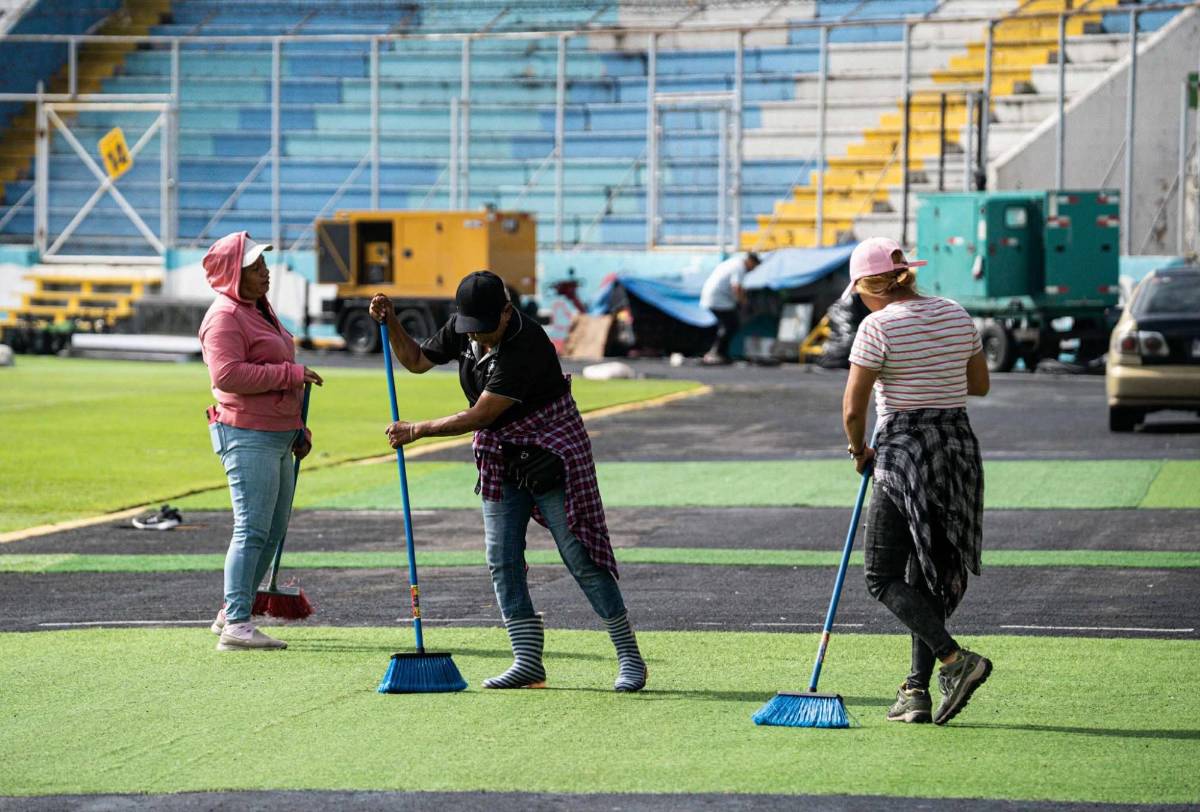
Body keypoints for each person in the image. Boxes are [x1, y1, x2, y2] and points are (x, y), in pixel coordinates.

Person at [369, 271, 647, 692]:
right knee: (502, 559)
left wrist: (418, 429)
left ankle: (629, 657)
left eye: (484, 328)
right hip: (502, 457)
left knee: (580, 556)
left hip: (549, 450)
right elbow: (415, 361)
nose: (476, 338)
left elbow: (481, 415)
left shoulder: (526, 343)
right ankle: (527, 661)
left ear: (506, 311)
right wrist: (391, 322)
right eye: (469, 329)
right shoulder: (467, 327)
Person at [841, 237, 992, 725]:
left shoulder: (876, 326)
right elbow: (979, 385)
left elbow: (852, 409)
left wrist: (859, 449)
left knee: (881, 576)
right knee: (925, 576)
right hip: (958, 448)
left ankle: (955, 660)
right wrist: (935, 368)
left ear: (868, 287)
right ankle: (916, 692)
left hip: (905, 448)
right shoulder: (954, 312)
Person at [199, 232, 323, 651]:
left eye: (263, 265)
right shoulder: (224, 317)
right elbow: (227, 375)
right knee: (251, 528)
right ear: (234, 274)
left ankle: (232, 612)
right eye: (254, 267)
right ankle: (236, 623)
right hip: (246, 433)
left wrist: (297, 428)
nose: (264, 272)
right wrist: (292, 375)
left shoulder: (258, 308)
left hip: (275, 434)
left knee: (271, 530)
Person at [700, 252, 760, 364]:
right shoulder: (739, 267)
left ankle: (720, 353)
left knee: (728, 325)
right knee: (731, 325)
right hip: (719, 299)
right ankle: (716, 353)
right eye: (754, 266)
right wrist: (744, 303)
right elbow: (736, 287)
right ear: (750, 261)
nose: (753, 270)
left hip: (714, 297)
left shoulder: (733, 262)